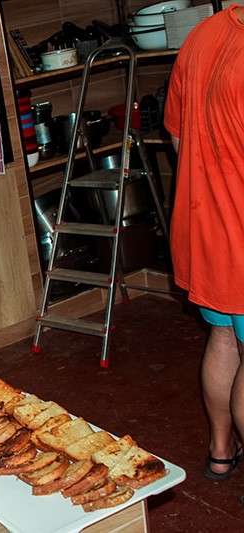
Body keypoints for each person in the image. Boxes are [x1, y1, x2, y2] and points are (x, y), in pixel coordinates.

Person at [164, 4, 244, 482]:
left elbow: (178, 138)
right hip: (240, 237)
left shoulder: (203, 34)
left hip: (203, 230)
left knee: (223, 338)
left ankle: (220, 450)